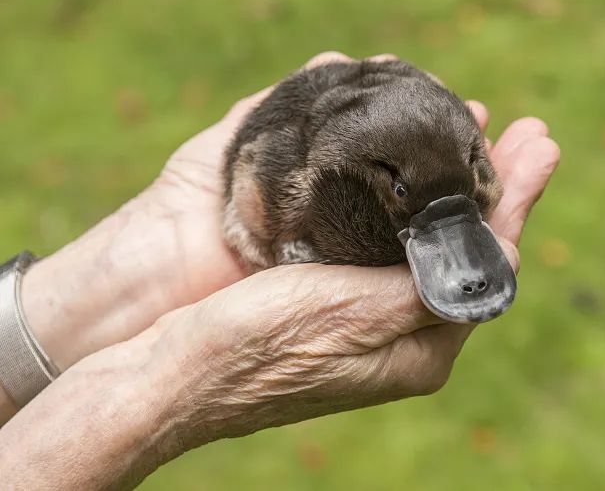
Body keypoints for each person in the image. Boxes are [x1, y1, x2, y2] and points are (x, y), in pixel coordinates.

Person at [0, 52, 560, 489]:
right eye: (396, 189)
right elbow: (254, 178)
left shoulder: (454, 139)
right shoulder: (296, 177)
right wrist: (165, 383)